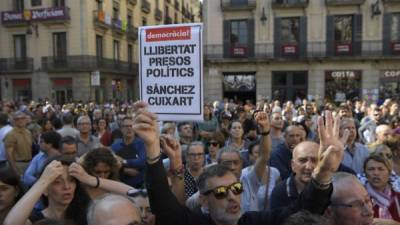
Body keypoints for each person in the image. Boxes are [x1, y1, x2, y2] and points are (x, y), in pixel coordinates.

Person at [133, 101, 345, 225]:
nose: (232, 197)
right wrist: (153, 148)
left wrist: (324, 171)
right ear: (204, 201)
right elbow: (163, 206)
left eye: (235, 188)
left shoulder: (257, 222)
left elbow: (306, 208)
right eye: (220, 193)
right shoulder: (194, 222)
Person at [4, 155, 91, 225]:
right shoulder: (36, 220)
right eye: (57, 182)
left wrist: (89, 179)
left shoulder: (86, 215)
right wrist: (43, 180)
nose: (66, 187)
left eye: (71, 180)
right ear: (45, 190)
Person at [111, 116, 146, 188]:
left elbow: (142, 161)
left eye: (131, 126)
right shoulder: (115, 145)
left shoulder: (142, 143)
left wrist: (124, 161)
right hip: (119, 184)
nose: (129, 128)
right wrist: (123, 170)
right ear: (121, 129)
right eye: (126, 126)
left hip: (140, 185)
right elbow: (112, 163)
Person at [364, 154, 400, 221]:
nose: (376, 173)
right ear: (365, 173)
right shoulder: (359, 199)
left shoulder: (398, 198)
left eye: (381, 169)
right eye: (371, 169)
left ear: (389, 174)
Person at [5, 111, 33, 175]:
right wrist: (15, 171)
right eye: (17, 119)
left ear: (26, 119)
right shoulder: (11, 135)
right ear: (14, 121)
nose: (20, 120)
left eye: (22, 118)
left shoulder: (28, 132)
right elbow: (9, 155)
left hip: (29, 163)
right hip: (18, 165)